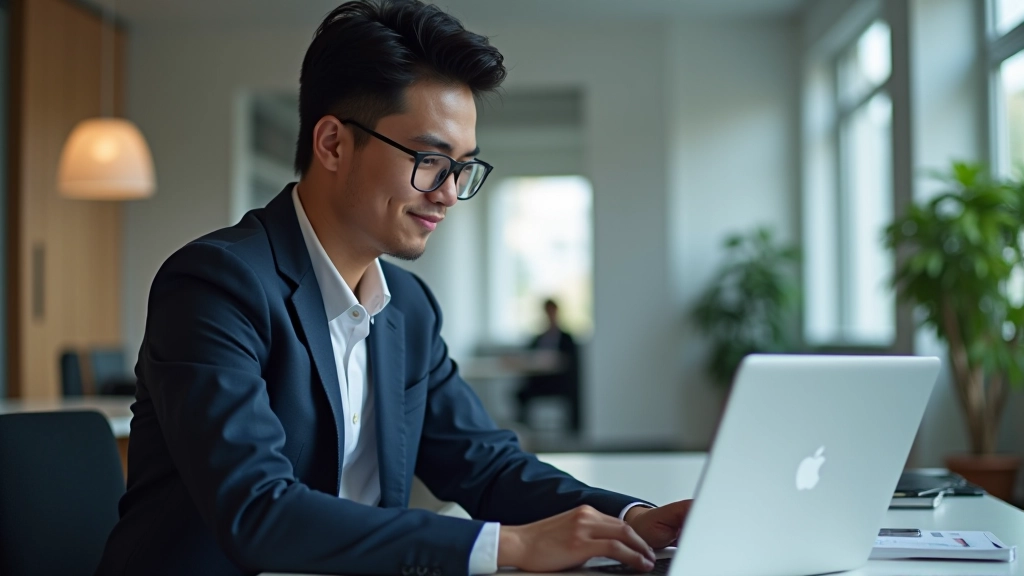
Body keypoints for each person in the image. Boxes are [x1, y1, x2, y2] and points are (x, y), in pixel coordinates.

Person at [95, 2, 692, 575]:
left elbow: (484, 466)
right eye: (430, 159)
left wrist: (631, 518)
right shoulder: (216, 284)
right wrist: (506, 546)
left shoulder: (407, 307)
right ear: (332, 143)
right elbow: (257, 509)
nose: (449, 193)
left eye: (462, 167)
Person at [516, 299, 581, 432]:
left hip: (559, 383)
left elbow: (569, 362)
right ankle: (526, 431)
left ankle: (572, 430)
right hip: (540, 382)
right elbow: (529, 357)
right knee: (520, 393)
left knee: (575, 392)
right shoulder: (538, 338)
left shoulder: (566, 338)